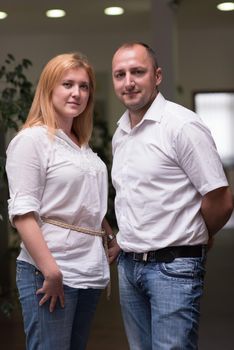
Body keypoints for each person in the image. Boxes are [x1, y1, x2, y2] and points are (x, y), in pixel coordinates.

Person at [109, 42, 234, 350]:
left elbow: (221, 198)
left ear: (158, 76)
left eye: (138, 72)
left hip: (173, 268)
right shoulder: (121, 133)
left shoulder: (182, 125)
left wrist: (197, 234)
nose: (129, 82)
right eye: (120, 74)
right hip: (129, 267)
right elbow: (135, 199)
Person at [6, 52, 114, 350]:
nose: (77, 93)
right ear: (49, 88)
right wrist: (50, 270)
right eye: (67, 84)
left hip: (87, 268)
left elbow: (81, 200)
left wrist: (108, 233)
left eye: (84, 86)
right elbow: (23, 213)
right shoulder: (31, 141)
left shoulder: (79, 144)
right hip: (51, 269)